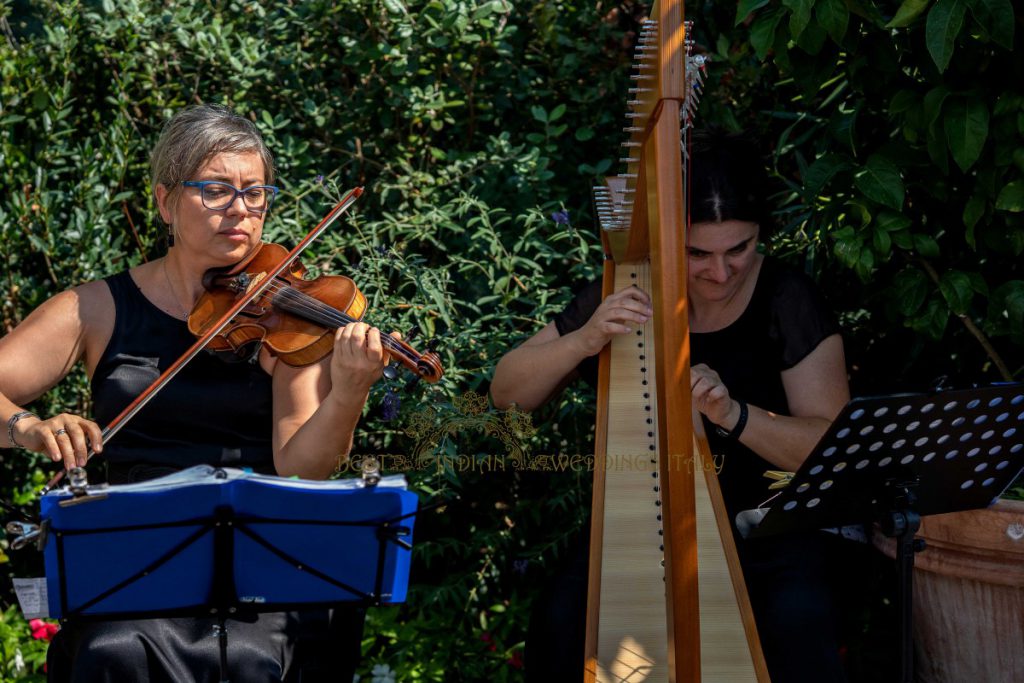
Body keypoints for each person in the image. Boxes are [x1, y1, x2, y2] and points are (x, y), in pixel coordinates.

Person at [0, 104, 386, 681]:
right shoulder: (99, 308)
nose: (241, 210)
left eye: (256, 193)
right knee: (116, 651)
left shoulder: (287, 318)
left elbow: (301, 469)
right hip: (135, 566)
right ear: (165, 202)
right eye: (216, 190)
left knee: (255, 662)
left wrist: (349, 392)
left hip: (257, 572)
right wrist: (27, 428)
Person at [491, 131, 852, 682]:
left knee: (795, 621)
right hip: (646, 520)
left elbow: (829, 448)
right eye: (697, 253)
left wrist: (734, 415)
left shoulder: (786, 298)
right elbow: (507, 395)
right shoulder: (631, 287)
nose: (721, 272)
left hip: (770, 529)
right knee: (564, 621)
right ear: (665, 239)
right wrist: (582, 340)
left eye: (740, 248)